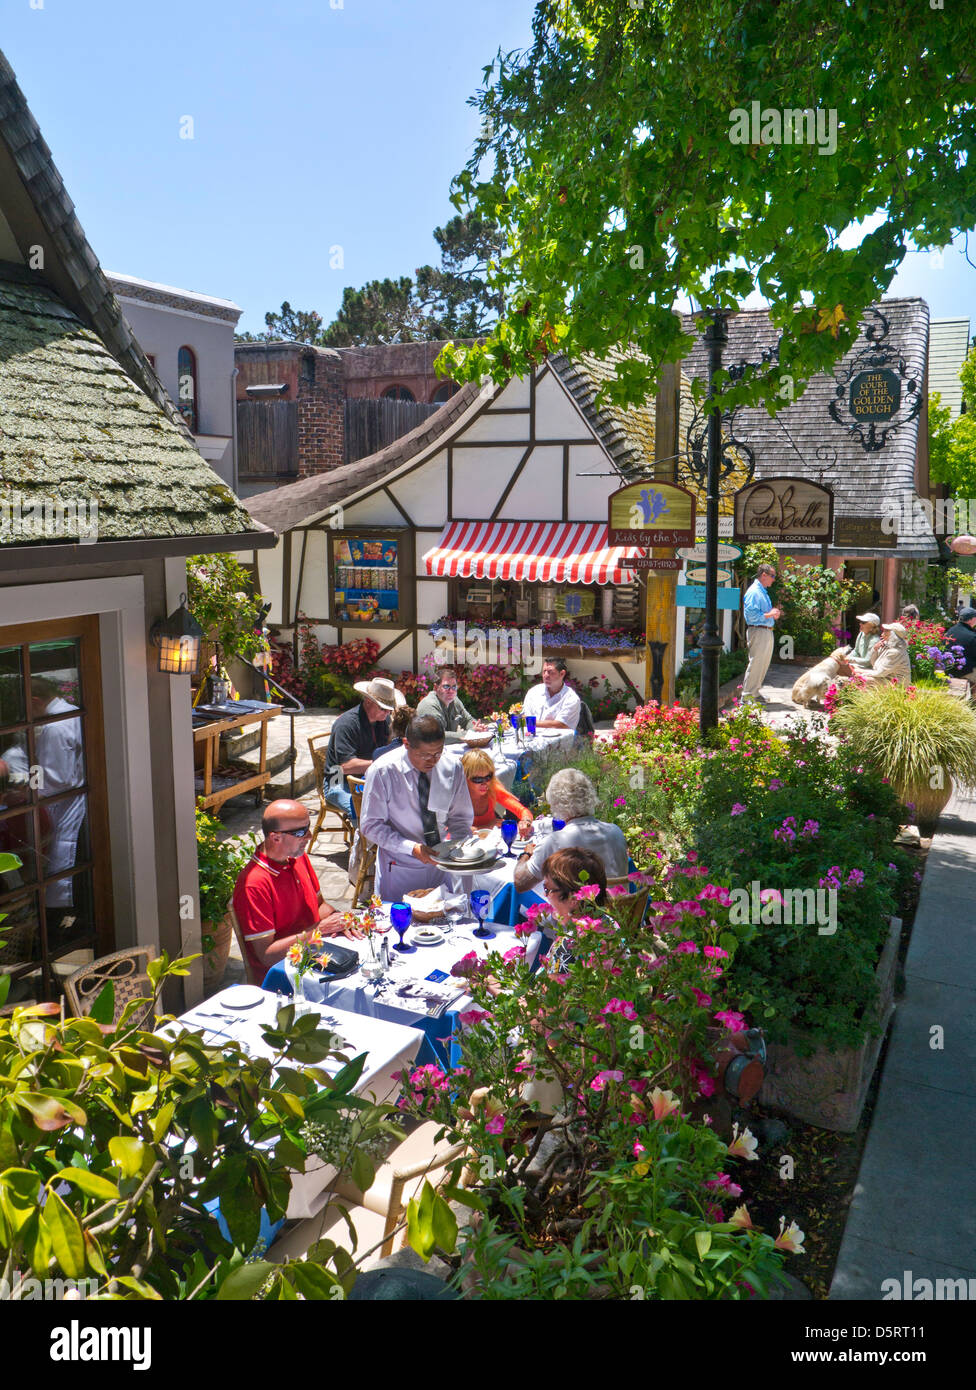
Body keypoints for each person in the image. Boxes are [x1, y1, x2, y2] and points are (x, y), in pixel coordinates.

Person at [232, 798, 360, 982]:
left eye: (308, 826)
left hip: (315, 952)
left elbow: (319, 906)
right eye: (301, 832)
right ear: (275, 837)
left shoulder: (296, 857)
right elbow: (267, 956)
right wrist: (318, 931)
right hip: (285, 975)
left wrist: (342, 920)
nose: (309, 836)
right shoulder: (253, 884)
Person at [360, 714, 473, 901]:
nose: (432, 760)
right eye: (424, 755)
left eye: (437, 753)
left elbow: (460, 817)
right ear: (406, 744)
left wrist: (460, 851)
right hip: (400, 865)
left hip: (442, 865)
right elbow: (370, 826)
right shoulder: (383, 771)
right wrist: (411, 848)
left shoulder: (452, 766)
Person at [513, 767, 627, 893]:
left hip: (585, 911)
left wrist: (526, 854)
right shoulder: (615, 831)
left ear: (555, 804)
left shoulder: (555, 841)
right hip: (622, 908)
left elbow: (520, 883)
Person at [323, 677, 400, 822]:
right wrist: (381, 764)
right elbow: (345, 767)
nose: (387, 713)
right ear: (369, 701)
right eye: (383, 708)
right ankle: (363, 844)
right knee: (365, 811)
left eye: (390, 709)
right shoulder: (346, 724)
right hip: (337, 781)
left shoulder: (383, 720)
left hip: (365, 780)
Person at [461, 749, 533, 833]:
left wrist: (526, 821)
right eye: (478, 779)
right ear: (465, 778)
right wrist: (487, 827)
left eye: (488, 777)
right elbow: (454, 830)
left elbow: (522, 810)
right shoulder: (458, 796)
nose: (484, 783)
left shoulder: (492, 788)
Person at [741, 563, 782, 704]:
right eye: (772, 576)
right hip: (758, 630)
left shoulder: (762, 591)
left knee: (762, 664)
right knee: (756, 663)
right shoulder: (754, 592)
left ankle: (754, 693)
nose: (774, 579)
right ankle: (747, 696)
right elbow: (751, 616)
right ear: (763, 575)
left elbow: (763, 614)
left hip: (764, 631)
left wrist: (771, 615)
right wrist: (770, 614)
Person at [415, 667, 486, 744]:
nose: (451, 691)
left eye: (454, 687)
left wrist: (477, 728)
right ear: (435, 688)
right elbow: (437, 736)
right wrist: (469, 734)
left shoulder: (454, 700)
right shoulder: (429, 705)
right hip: (427, 752)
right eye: (446, 687)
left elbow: (467, 720)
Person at [522, 658, 581, 735]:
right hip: (532, 739)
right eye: (544, 672)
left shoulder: (571, 698)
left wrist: (531, 722)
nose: (546, 675)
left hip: (559, 743)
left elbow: (562, 724)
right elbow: (525, 717)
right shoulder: (534, 692)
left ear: (562, 674)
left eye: (550, 672)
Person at [945, 607, 976, 686]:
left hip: (948, 669)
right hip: (964, 673)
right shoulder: (971, 636)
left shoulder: (950, 631)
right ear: (971, 620)